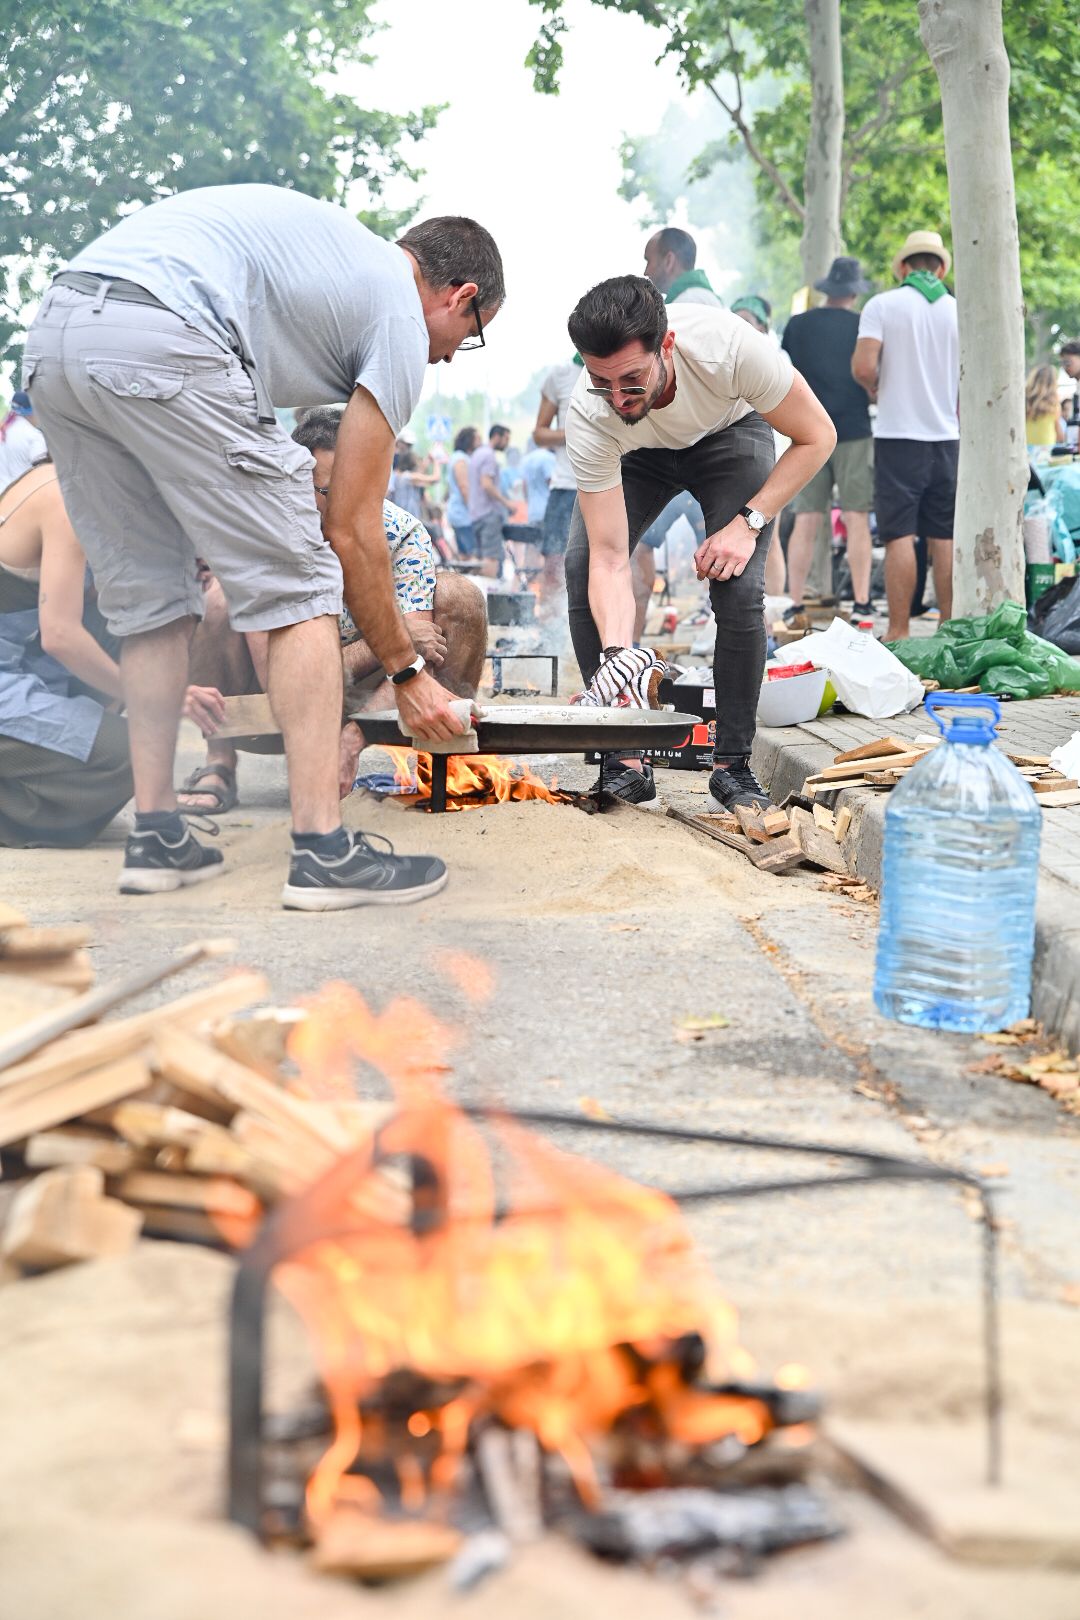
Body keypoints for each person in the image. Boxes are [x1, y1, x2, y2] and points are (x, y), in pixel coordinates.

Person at [22, 184, 504, 907]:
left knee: (154, 601)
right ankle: (321, 850)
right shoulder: (400, 312)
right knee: (302, 584)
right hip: (166, 330)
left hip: (59, 336)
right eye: (468, 336)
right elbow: (351, 528)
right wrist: (408, 674)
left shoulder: (334, 261)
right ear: (459, 295)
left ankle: (156, 837)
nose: (448, 360)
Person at [563, 276, 835, 810]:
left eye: (633, 380)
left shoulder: (730, 349)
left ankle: (732, 765)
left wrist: (749, 522)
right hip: (635, 453)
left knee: (738, 588)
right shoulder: (593, 413)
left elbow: (817, 435)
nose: (618, 398)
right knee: (579, 566)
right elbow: (611, 558)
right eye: (602, 381)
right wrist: (621, 664)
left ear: (666, 346)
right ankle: (625, 754)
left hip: (728, 434)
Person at [179, 405, 488, 812]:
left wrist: (354, 735)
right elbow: (279, 679)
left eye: (361, 485)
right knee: (217, 601)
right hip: (285, 701)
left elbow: (420, 658)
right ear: (297, 482)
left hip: (378, 696)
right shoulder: (264, 536)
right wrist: (390, 642)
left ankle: (441, 765)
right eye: (333, 491)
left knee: (460, 595)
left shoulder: (400, 532)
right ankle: (219, 761)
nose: (354, 501)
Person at [0, 461, 223, 846]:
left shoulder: (88, 483)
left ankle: (70, 752)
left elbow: (112, 604)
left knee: (139, 618)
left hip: (25, 666)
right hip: (14, 678)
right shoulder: (65, 498)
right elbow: (61, 635)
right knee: (135, 755)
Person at [852, 228, 957, 643]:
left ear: (902, 267)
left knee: (900, 535)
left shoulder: (883, 305)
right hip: (948, 438)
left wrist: (877, 385)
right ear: (942, 268)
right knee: (943, 536)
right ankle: (948, 629)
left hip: (898, 437)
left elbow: (863, 367)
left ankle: (898, 633)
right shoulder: (956, 309)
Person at [780, 256, 875, 621]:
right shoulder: (863, 325)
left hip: (809, 431)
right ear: (854, 292)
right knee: (856, 517)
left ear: (826, 290)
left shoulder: (798, 325)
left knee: (806, 518)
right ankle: (863, 601)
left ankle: (796, 601)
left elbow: (787, 372)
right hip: (853, 429)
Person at [533, 357, 583, 605]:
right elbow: (539, 433)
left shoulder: (626, 366)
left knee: (607, 563)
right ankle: (550, 637)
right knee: (554, 563)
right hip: (565, 487)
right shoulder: (562, 374)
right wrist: (574, 432)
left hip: (614, 484)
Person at [467, 424, 514, 579]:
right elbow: (487, 484)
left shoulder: (477, 454)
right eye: (506, 438)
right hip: (488, 514)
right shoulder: (489, 455)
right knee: (491, 558)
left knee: (479, 559)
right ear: (497, 436)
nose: (507, 443)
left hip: (475, 514)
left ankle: (476, 598)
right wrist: (506, 503)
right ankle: (489, 599)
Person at [643, 228, 723, 307]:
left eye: (648, 261)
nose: (646, 272)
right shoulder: (705, 297)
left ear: (669, 261)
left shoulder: (685, 303)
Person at [0, 392, 48, 491]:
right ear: (31, 412)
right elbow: (43, 474)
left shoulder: (3, 431)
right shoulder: (34, 436)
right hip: (20, 499)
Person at [446, 426, 480, 555]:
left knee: (466, 555)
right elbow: (464, 487)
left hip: (461, 513)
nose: (480, 442)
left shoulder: (461, 457)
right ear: (468, 440)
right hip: (463, 515)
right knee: (470, 556)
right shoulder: (460, 459)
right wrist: (474, 511)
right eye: (477, 438)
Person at [1025, 364, 1066, 448]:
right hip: (1045, 452)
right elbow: (1060, 436)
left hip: (1025, 451)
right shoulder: (1054, 406)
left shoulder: (1025, 403)